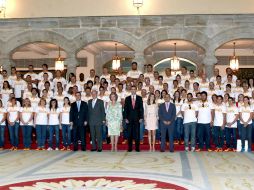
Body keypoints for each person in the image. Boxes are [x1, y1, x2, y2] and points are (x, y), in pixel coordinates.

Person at [124, 85, 144, 152]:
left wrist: (141, 117)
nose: (133, 90)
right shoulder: (127, 98)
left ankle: (137, 148)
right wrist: (125, 118)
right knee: (129, 133)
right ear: (130, 90)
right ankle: (129, 148)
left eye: (134, 89)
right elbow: (125, 109)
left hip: (137, 118)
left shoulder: (139, 98)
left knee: (137, 133)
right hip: (129, 119)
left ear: (136, 90)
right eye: (132, 89)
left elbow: (141, 108)